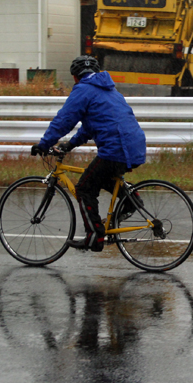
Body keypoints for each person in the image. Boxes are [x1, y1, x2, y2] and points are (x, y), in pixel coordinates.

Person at [31, 56, 147, 252]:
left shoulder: (83, 90)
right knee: (100, 176)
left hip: (117, 148)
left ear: (75, 77)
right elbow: (89, 127)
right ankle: (131, 199)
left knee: (84, 187)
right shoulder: (108, 89)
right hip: (134, 144)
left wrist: (44, 144)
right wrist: (69, 145)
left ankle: (94, 237)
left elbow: (64, 120)